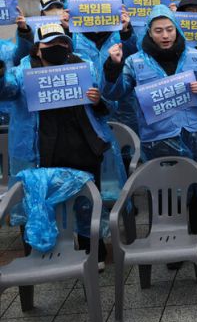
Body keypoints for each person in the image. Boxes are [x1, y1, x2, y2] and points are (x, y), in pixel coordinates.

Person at [0, 23, 122, 263]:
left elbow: (109, 104)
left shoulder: (84, 66)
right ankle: (41, 252)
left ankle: (94, 252)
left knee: (87, 202)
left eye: (62, 43)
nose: (57, 48)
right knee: (38, 203)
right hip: (39, 150)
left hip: (82, 146)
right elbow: (6, 91)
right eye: (50, 44)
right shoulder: (22, 71)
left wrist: (97, 101)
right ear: (37, 49)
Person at [102, 5, 197, 238]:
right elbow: (115, 92)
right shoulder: (134, 62)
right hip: (158, 140)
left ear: (176, 29)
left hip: (195, 135)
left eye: (169, 29)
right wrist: (112, 66)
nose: (165, 35)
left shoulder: (195, 57)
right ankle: (171, 241)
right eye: (158, 31)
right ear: (148, 32)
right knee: (167, 193)